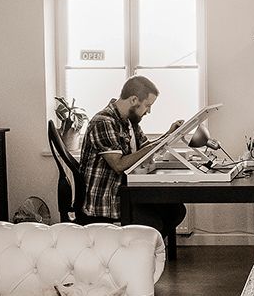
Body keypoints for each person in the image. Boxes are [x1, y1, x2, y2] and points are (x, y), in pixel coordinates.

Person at [77, 76, 187, 247]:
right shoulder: (104, 121)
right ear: (134, 99)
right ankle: (136, 252)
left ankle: (141, 250)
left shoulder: (129, 120)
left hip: (128, 192)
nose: (148, 111)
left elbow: (145, 148)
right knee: (154, 223)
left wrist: (167, 135)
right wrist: (157, 144)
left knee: (175, 210)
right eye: (147, 106)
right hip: (110, 200)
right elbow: (119, 164)